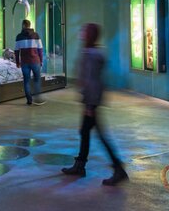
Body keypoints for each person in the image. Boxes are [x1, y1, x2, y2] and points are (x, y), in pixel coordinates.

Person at [61, 23, 128, 186]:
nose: (82, 33)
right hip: (91, 100)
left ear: (91, 35)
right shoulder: (91, 52)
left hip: (91, 101)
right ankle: (80, 164)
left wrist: (90, 105)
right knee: (84, 131)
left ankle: (118, 168)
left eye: (85, 31)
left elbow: (91, 81)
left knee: (100, 135)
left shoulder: (91, 54)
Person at [15, 19, 45, 105]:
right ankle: (38, 98)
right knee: (37, 79)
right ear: (29, 25)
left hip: (24, 62)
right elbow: (40, 50)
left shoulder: (19, 37)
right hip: (35, 61)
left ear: (23, 25)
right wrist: (41, 60)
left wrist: (17, 62)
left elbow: (16, 51)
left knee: (26, 81)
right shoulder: (36, 35)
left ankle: (29, 100)